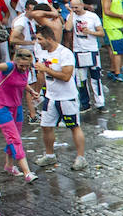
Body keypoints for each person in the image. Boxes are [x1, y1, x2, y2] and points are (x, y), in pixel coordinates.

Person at [0, 48, 36, 183]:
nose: (24, 68)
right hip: (2, 107)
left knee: (15, 137)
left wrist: (31, 91)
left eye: (27, 66)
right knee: (14, 139)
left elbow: (21, 82)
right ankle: (27, 173)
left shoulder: (26, 69)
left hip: (17, 107)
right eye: (21, 65)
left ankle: (9, 165)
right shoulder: (8, 66)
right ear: (16, 62)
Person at [34, 25, 87, 171]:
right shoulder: (41, 52)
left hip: (67, 98)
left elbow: (66, 76)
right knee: (45, 126)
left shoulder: (65, 53)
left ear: (49, 38)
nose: (37, 42)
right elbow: (40, 74)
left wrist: (46, 69)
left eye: (40, 39)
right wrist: (37, 91)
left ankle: (81, 157)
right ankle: (50, 155)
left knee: (74, 127)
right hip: (51, 97)